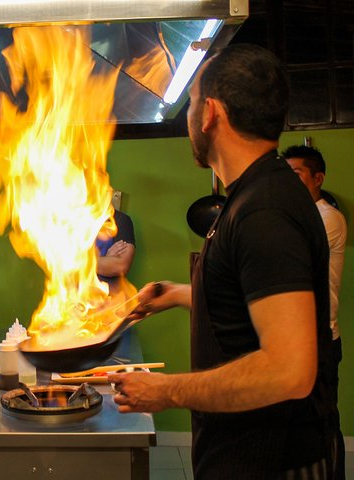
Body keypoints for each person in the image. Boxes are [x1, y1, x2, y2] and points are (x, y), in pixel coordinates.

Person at [109, 44, 338, 478]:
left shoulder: (264, 210)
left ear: (210, 112)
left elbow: (290, 371)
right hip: (247, 454)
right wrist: (176, 294)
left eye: (192, 102)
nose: (189, 117)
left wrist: (167, 391)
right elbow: (253, 302)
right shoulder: (257, 195)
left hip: (273, 461)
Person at [284, 144, 347, 479]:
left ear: (318, 178)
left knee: (324, 422)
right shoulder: (296, 217)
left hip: (322, 336)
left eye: (296, 175)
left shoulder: (328, 218)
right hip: (298, 338)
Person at [96, 209, 136, 295]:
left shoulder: (120, 220)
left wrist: (76, 263)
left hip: (109, 301)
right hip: (70, 302)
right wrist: (106, 260)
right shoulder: (67, 221)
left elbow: (121, 265)